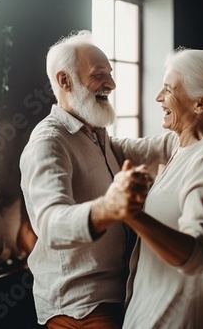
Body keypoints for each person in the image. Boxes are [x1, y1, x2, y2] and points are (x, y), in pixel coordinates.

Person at [20, 30, 160, 329]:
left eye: (110, 73)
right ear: (64, 80)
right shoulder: (49, 142)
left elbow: (141, 148)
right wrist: (108, 207)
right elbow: (50, 223)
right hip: (80, 306)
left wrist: (197, 126)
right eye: (99, 75)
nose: (111, 83)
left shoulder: (95, 132)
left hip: (115, 294)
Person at [109, 48, 203, 328]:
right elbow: (117, 147)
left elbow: (198, 255)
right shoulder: (180, 147)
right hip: (151, 307)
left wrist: (131, 214)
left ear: (200, 104)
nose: (158, 98)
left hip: (173, 317)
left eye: (168, 89)